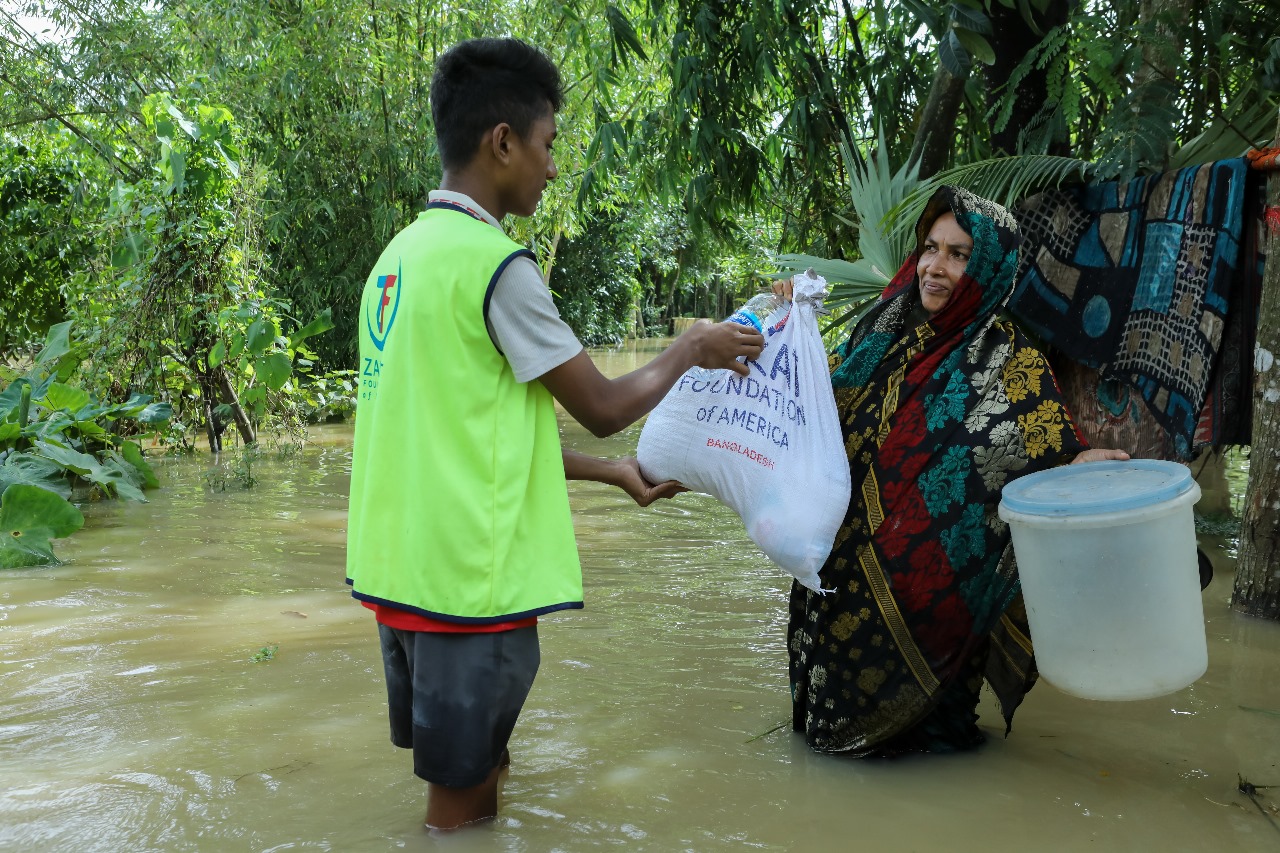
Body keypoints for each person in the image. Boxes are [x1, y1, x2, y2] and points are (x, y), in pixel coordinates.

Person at [345, 37, 764, 831]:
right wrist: (690, 347)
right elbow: (603, 403)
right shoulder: (496, 267)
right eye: (548, 144)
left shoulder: (397, 260)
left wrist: (613, 474)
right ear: (502, 142)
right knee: (458, 813)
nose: (553, 166)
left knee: (480, 772)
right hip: (467, 587)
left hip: (400, 578)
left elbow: (463, 438)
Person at [780, 186, 1128, 757]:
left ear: (988, 267)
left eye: (959, 255)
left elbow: (1045, 456)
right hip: (832, 574)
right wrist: (784, 324)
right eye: (930, 248)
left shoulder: (1010, 362)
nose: (935, 267)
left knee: (928, 751)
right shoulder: (878, 332)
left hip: (935, 605)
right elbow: (807, 404)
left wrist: (1077, 466)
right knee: (825, 742)